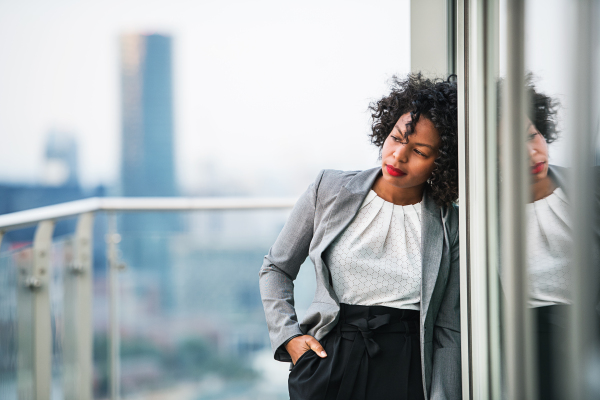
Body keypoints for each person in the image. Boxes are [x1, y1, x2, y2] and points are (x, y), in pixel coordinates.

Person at [259, 73, 461, 400]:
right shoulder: (329, 189)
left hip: (408, 370)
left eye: (420, 152)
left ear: (443, 163)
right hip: (329, 361)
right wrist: (290, 339)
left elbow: (448, 330)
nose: (398, 156)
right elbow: (276, 269)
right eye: (396, 138)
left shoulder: (449, 223)